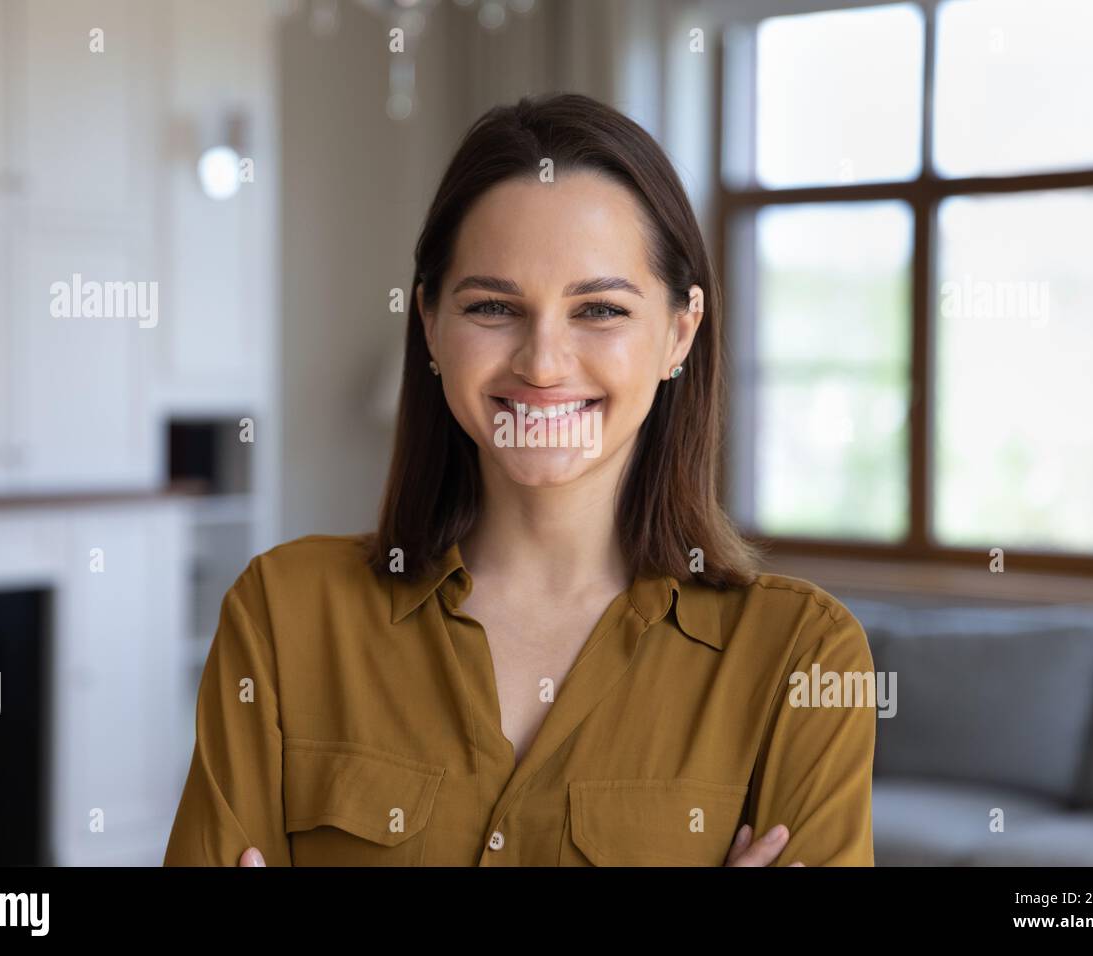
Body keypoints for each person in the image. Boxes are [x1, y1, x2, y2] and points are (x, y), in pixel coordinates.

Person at [164, 92, 876, 867]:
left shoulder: (803, 657)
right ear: (431, 322)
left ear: (679, 332)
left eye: (599, 310)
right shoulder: (283, 614)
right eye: (494, 306)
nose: (542, 363)